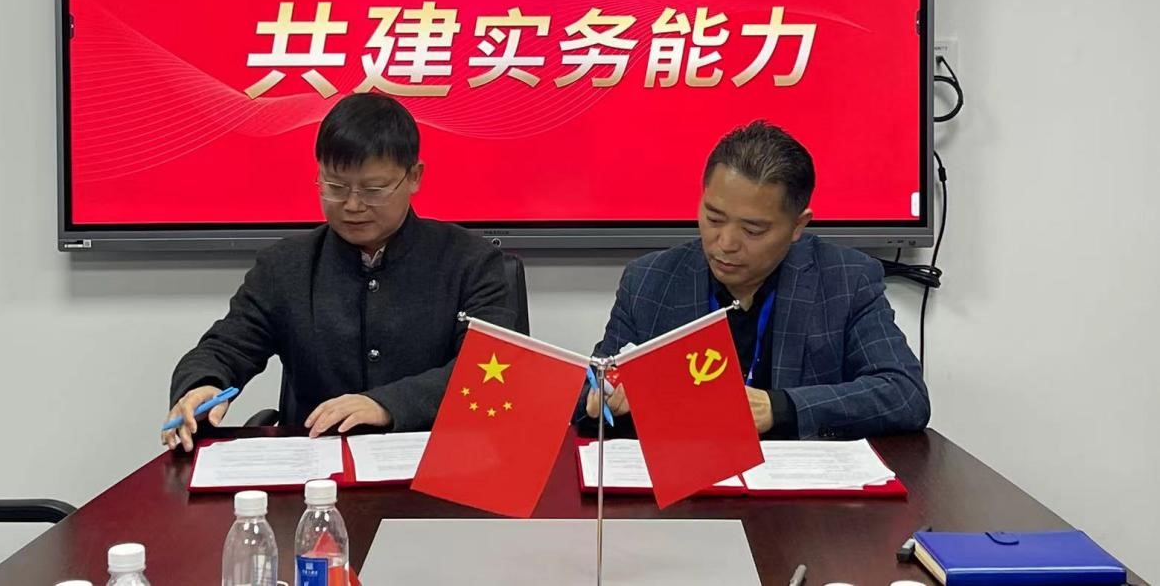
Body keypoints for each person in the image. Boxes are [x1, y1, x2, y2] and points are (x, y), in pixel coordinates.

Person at [162, 93, 512, 452]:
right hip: (315, 465)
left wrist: (388, 404)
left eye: (373, 189)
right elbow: (226, 347)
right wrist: (201, 385)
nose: (353, 205)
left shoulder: (470, 261)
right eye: (335, 187)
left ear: (414, 177)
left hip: (439, 459)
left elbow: (493, 369)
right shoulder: (285, 266)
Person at [584, 120, 930, 439]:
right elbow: (590, 387)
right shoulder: (650, 281)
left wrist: (780, 408)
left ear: (797, 225)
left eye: (752, 230)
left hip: (796, 480)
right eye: (714, 218)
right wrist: (602, 398)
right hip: (685, 477)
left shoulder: (845, 280)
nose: (726, 243)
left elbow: (904, 394)